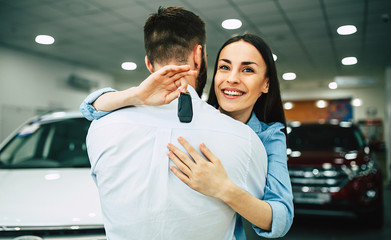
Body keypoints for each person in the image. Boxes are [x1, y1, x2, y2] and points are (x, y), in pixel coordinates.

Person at [81, 33, 294, 239]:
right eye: (224, 67)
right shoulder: (196, 116)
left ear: (266, 83)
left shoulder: (268, 135)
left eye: (247, 69)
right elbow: (89, 109)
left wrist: (223, 188)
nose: (232, 79)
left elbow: (281, 219)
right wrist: (138, 95)